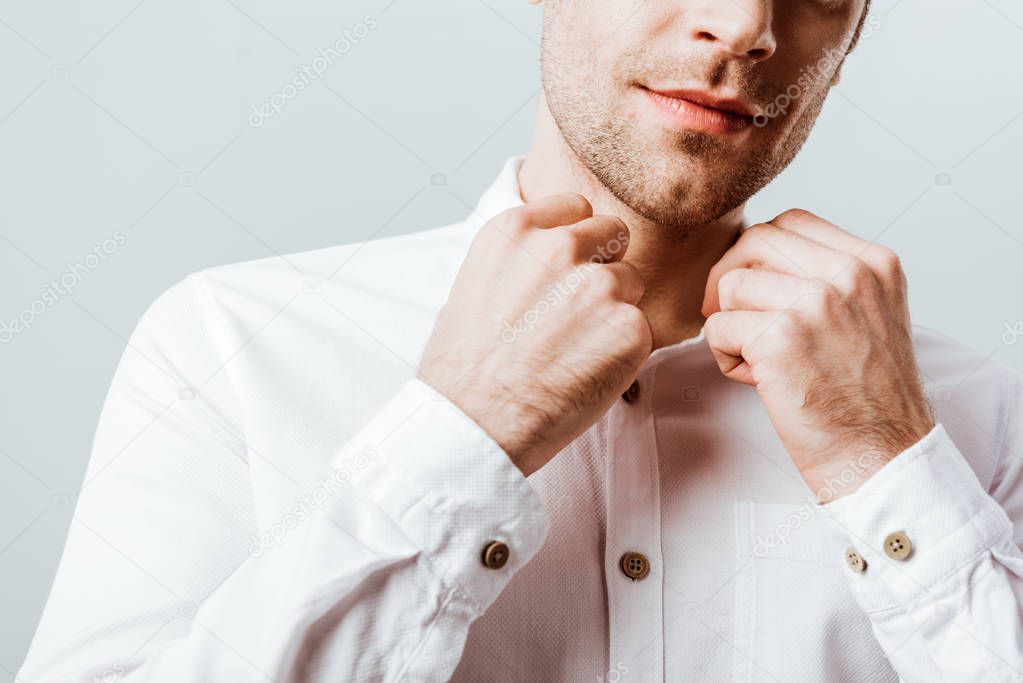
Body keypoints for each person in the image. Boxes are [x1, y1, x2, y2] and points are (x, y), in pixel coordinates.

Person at [19, 0, 1023, 681]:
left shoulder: (968, 417)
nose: (747, 22)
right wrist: (459, 435)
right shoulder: (232, 348)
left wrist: (887, 468)